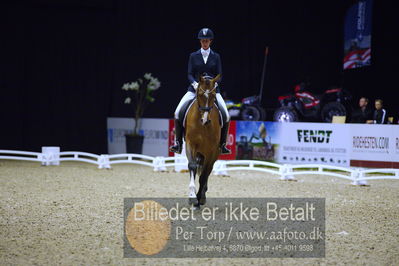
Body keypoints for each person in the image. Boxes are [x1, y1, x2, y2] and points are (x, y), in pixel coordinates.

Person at [169, 28, 231, 154]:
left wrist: (214, 85)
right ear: (200, 42)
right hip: (195, 89)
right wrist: (196, 84)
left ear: (210, 41)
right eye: (202, 41)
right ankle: (178, 143)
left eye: (207, 41)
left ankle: (222, 144)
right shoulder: (193, 56)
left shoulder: (216, 56)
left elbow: (220, 74)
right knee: (177, 113)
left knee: (226, 115)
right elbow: (189, 74)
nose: (204, 43)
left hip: (213, 91)